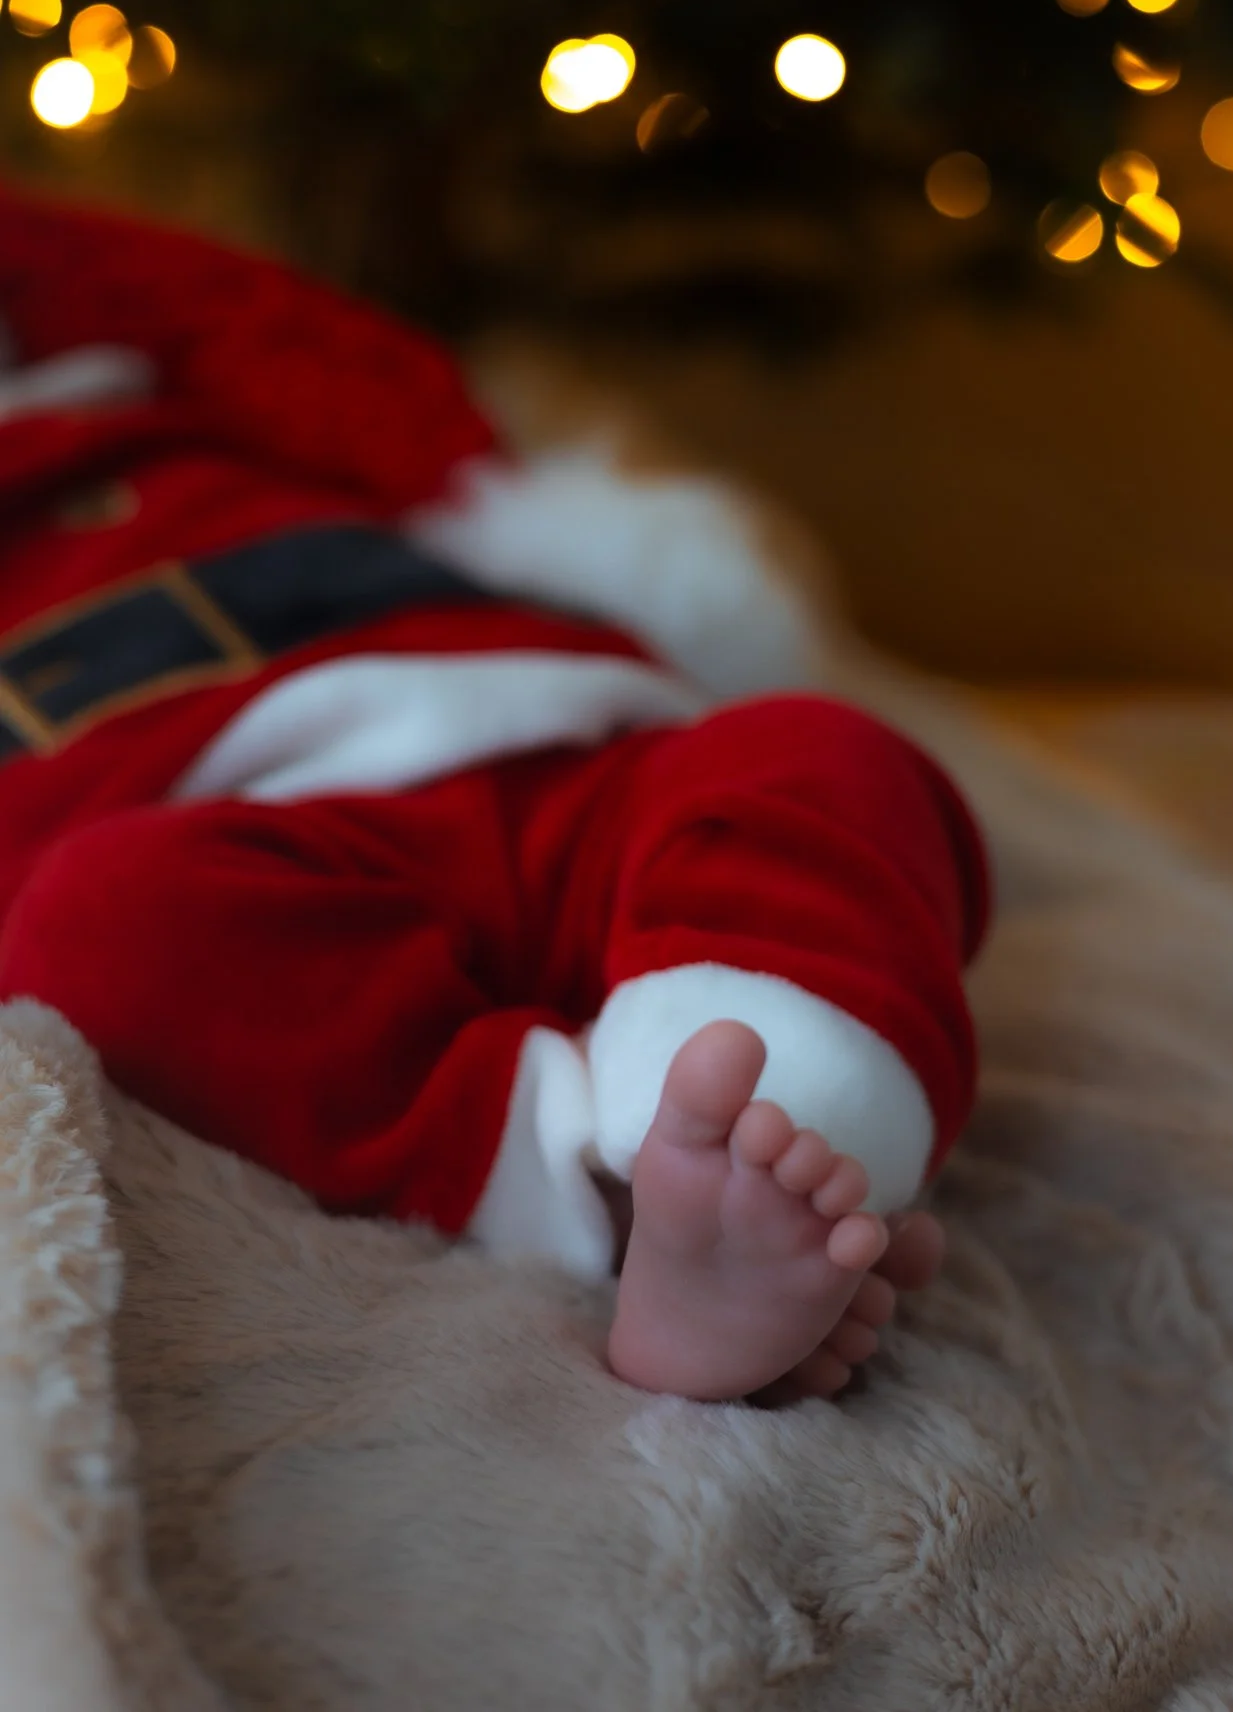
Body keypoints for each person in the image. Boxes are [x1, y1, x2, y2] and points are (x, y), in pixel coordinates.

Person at [0, 188, 988, 1401]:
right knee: (105, 931)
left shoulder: (166, 395)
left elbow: (351, 381)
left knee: (822, 754)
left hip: (557, 743)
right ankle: (610, 1182)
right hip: (224, 844)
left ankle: (787, 1094)